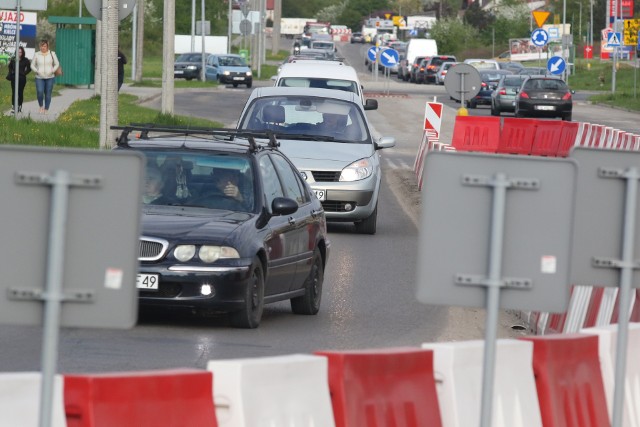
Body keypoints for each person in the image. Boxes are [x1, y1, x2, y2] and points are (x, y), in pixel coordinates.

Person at [30, 39, 60, 114]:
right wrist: (37, 71)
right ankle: (41, 106)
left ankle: (46, 109)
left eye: (44, 46)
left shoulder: (52, 54)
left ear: (47, 47)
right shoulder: (37, 54)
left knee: (48, 93)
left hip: (50, 77)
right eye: (41, 46)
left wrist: (52, 71)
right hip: (39, 77)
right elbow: (32, 65)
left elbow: (57, 64)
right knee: (40, 92)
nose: (43, 47)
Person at [8, 46, 31, 113]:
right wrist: (11, 73)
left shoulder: (26, 60)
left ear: (22, 53)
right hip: (14, 77)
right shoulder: (13, 59)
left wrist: (24, 73)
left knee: (20, 92)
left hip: (22, 78)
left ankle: (19, 105)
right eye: (18, 52)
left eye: (20, 52)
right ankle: (13, 106)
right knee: (14, 91)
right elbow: (10, 67)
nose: (19, 53)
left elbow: (29, 69)